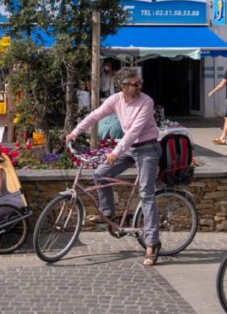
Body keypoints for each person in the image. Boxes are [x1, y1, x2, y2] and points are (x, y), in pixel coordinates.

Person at [65, 67, 162, 266]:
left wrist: (115, 152)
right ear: (123, 86)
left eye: (139, 83)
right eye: (135, 84)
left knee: (146, 193)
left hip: (148, 148)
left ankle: (152, 244)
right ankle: (107, 212)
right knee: (100, 174)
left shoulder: (147, 101)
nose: (139, 86)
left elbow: (134, 132)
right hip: (128, 148)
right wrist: (75, 132)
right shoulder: (116, 99)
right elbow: (95, 116)